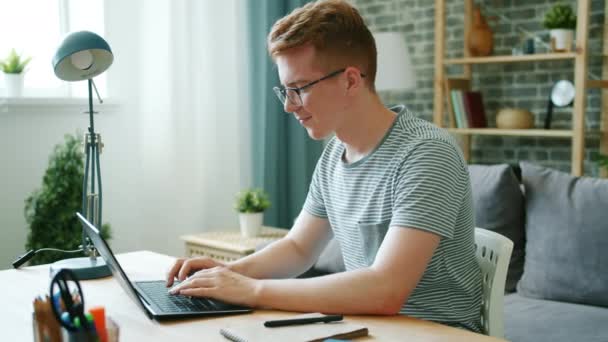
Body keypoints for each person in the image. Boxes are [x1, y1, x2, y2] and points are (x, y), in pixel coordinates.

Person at [166, 0, 481, 332]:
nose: (289, 106)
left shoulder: (427, 153)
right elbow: (299, 247)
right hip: (368, 326)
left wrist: (254, 290)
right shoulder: (334, 155)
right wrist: (231, 272)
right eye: (285, 91)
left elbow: (386, 289)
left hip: (434, 332)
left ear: (350, 81)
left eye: (299, 89)